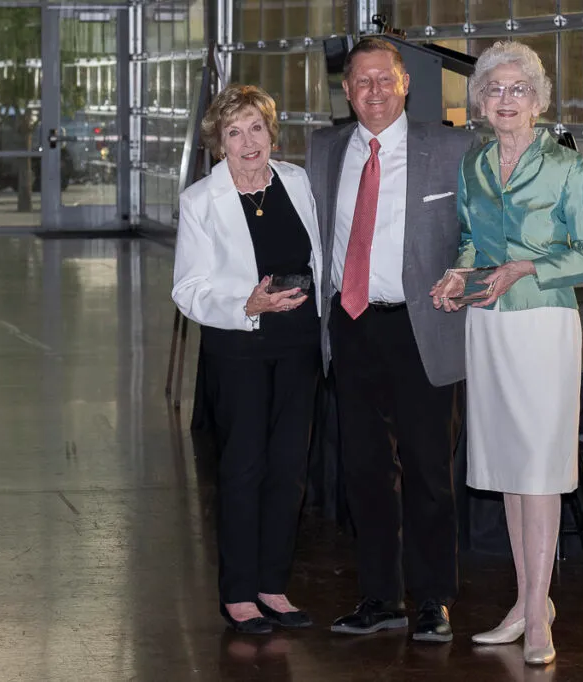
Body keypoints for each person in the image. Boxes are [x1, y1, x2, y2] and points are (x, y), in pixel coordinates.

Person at [430, 41, 583, 666]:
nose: (504, 100)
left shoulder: (566, 166)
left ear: (537, 100)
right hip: (488, 327)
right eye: (494, 90)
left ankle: (539, 617)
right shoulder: (474, 163)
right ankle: (526, 602)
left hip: (542, 326)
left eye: (517, 89)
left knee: (539, 474)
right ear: (479, 102)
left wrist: (526, 268)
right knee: (511, 474)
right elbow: (465, 238)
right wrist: (460, 275)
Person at [305, 37, 476, 643]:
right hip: (349, 324)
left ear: (404, 84)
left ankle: (432, 598)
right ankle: (379, 597)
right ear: (346, 90)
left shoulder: (452, 147)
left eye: (384, 79)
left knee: (430, 468)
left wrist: (468, 274)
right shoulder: (323, 150)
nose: (373, 91)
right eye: (361, 81)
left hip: (421, 324)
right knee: (365, 469)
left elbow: (477, 230)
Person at [172, 84, 323, 635]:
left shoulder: (297, 181)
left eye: (256, 127)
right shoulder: (200, 202)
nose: (248, 141)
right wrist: (245, 304)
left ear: (270, 132)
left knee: (289, 468)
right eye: (234, 133)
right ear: (219, 145)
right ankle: (237, 592)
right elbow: (187, 290)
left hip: (300, 345)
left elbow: (319, 257)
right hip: (240, 347)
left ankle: (272, 585)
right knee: (243, 468)